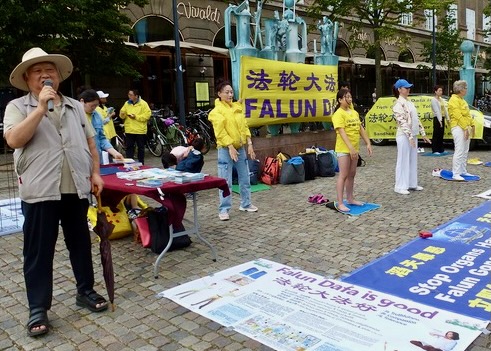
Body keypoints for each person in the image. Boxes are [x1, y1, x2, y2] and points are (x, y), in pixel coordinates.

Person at [3, 47, 108, 337]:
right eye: (38, 71)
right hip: (39, 190)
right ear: (27, 79)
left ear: (58, 76)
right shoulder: (17, 108)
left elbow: (90, 144)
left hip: (75, 187)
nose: (45, 75)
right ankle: (38, 307)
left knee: (80, 244)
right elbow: (14, 139)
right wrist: (39, 109)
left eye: (50, 70)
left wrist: (95, 172)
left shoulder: (75, 107)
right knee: (38, 251)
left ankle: (85, 290)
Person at [208, 79, 258, 221]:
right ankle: (224, 209)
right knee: (225, 180)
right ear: (219, 94)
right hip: (225, 149)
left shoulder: (237, 108)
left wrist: (249, 144)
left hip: (240, 147)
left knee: (245, 176)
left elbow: (244, 127)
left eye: (231, 92)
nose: (230, 94)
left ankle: (246, 203)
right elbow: (220, 132)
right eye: (227, 92)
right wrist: (229, 146)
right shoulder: (216, 112)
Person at [331, 88, 372, 212]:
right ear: (339, 100)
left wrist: (368, 143)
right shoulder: (338, 114)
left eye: (350, 97)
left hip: (354, 147)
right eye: (346, 97)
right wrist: (350, 148)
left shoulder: (353, 112)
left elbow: (360, 128)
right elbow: (342, 133)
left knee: (352, 174)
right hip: (344, 148)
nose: (349, 99)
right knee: (343, 175)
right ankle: (340, 202)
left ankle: (350, 198)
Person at [392, 79, 431, 195]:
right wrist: (409, 136)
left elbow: (416, 119)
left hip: (412, 134)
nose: (408, 90)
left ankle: (411, 183)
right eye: (406, 88)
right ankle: (400, 186)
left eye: (409, 88)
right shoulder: (398, 105)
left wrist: (422, 133)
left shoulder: (410, 103)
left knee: (412, 159)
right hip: (404, 136)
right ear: (399, 89)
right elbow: (402, 121)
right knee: (403, 159)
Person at [79, 89, 124, 163]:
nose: (94, 108)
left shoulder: (96, 115)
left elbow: (101, 138)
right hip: (82, 159)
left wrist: (115, 153)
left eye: (96, 106)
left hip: (96, 158)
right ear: (82, 102)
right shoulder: (74, 116)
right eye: (92, 105)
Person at [448, 80, 476, 181]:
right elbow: (458, 115)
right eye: (465, 88)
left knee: (465, 150)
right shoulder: (453, 100)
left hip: (465, 127)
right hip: (457, 127)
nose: (466, 90)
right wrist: (465, 128)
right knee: (459, 150)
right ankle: (456, 172)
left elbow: (468, 115)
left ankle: (463, 170)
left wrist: (472, 125)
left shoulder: (463, 100)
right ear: (460, 89)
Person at [119, 89, 151, 164]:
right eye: (128, 94)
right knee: (129, 147)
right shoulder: (127, 103)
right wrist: (122, 114)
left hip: (140, 130)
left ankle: (141, 163)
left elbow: (147, 115)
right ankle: (130, 164)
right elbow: (122, 115)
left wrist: (136, 117)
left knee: (141, 148)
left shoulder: (143, 104)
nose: (129, 96)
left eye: (131, 95)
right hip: (129, 130)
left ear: (136, 96)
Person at [431, 85, 450, 155]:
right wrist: (440, 120)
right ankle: (435, 149)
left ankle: (441, 149)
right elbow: (437, 111)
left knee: (441, 134)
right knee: (436, 134)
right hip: (437, 118)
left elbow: (445, 109)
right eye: (439, 90)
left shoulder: (441, 99)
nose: (441, 92)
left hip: (442, 117)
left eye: (441, 90)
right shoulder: (433, 100)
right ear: (435, 91)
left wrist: (447, 118)